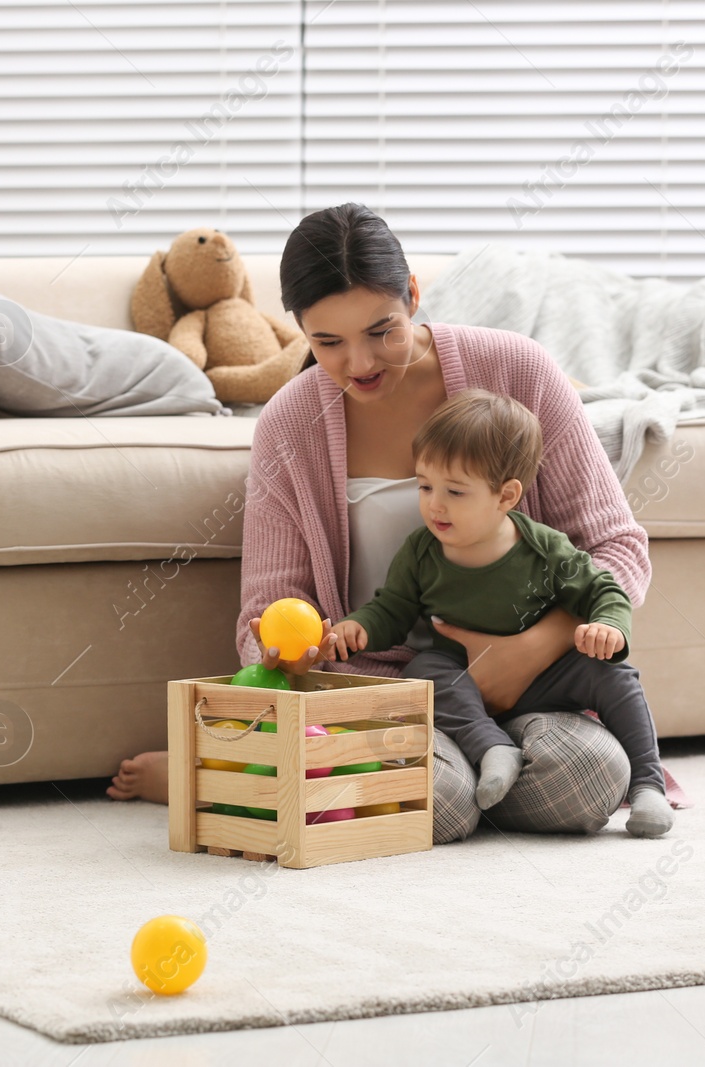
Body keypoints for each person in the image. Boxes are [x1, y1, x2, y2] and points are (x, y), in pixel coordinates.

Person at [108, 202, 653, 840]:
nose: (361, 364)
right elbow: (268, 604)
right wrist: (293, 644)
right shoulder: (290, 424)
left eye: (381, 330)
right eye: (328, 342)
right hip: (388, 692)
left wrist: (532, 648)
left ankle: (270, 778)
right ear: (299, 329)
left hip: (539, 682)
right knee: (442, 800)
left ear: (414, 294)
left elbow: (614, 547)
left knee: (590, 777)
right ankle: (236, 774)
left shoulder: (518, 371)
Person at [332, 388, 673, 837]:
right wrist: (357, 628)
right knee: (427, 670)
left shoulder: (545, 548)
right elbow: (392, 608)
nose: (434, 505)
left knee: (616, 675)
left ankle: (648, 785)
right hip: (464, 674)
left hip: (546, 677)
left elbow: (603, 589)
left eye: (455, 491)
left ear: (506, 496)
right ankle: (492, 748)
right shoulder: (421, 551)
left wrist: (609, 625)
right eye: (425, 485)